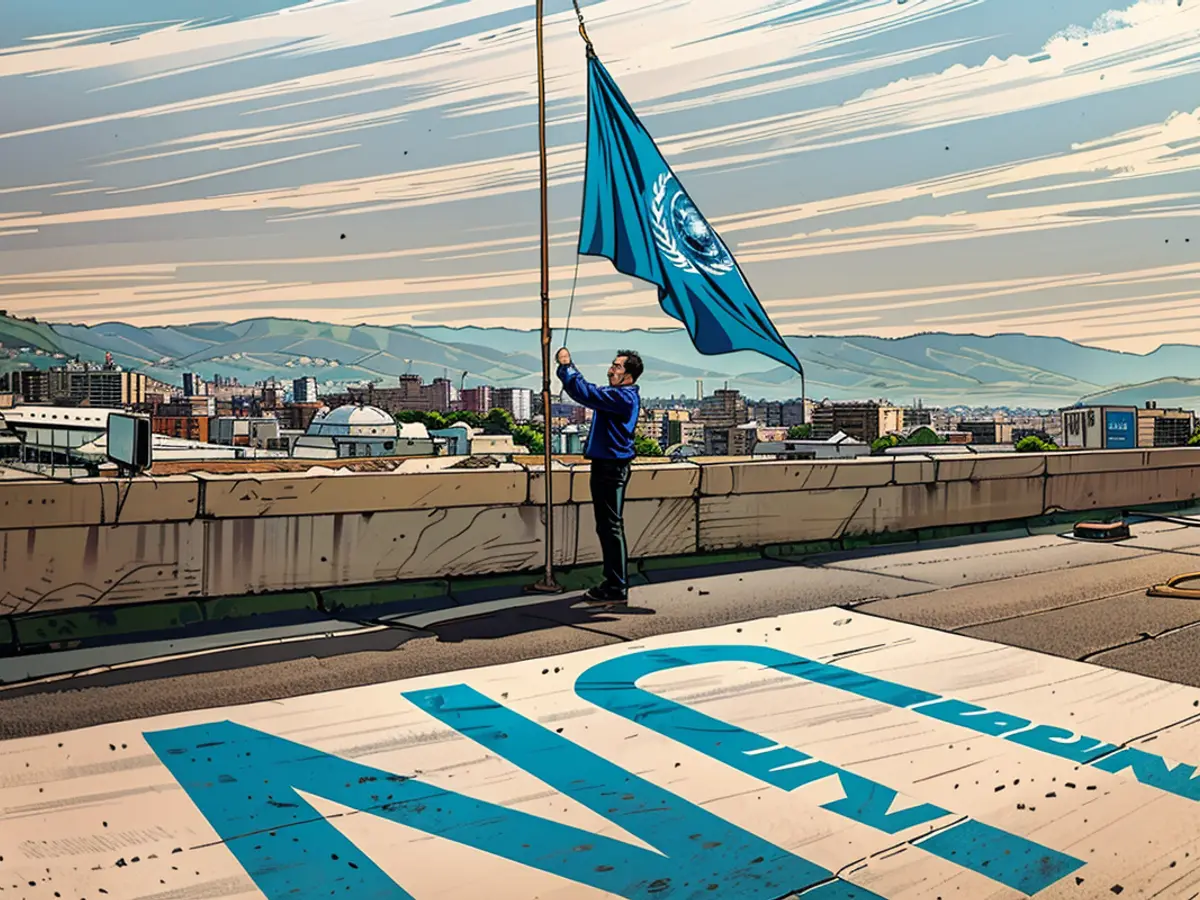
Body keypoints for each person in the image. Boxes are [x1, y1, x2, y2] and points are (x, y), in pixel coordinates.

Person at [556, 346, 642, 606]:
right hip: (610, 465)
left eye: (617, 367)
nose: (610, 370)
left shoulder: (622, 397)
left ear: (629, 376)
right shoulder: (621, 396)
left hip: (610, 467)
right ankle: (615, 583)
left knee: (610, 526)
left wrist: (567, 367)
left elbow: (587, 393)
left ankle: (616, 585)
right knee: (608, 525)